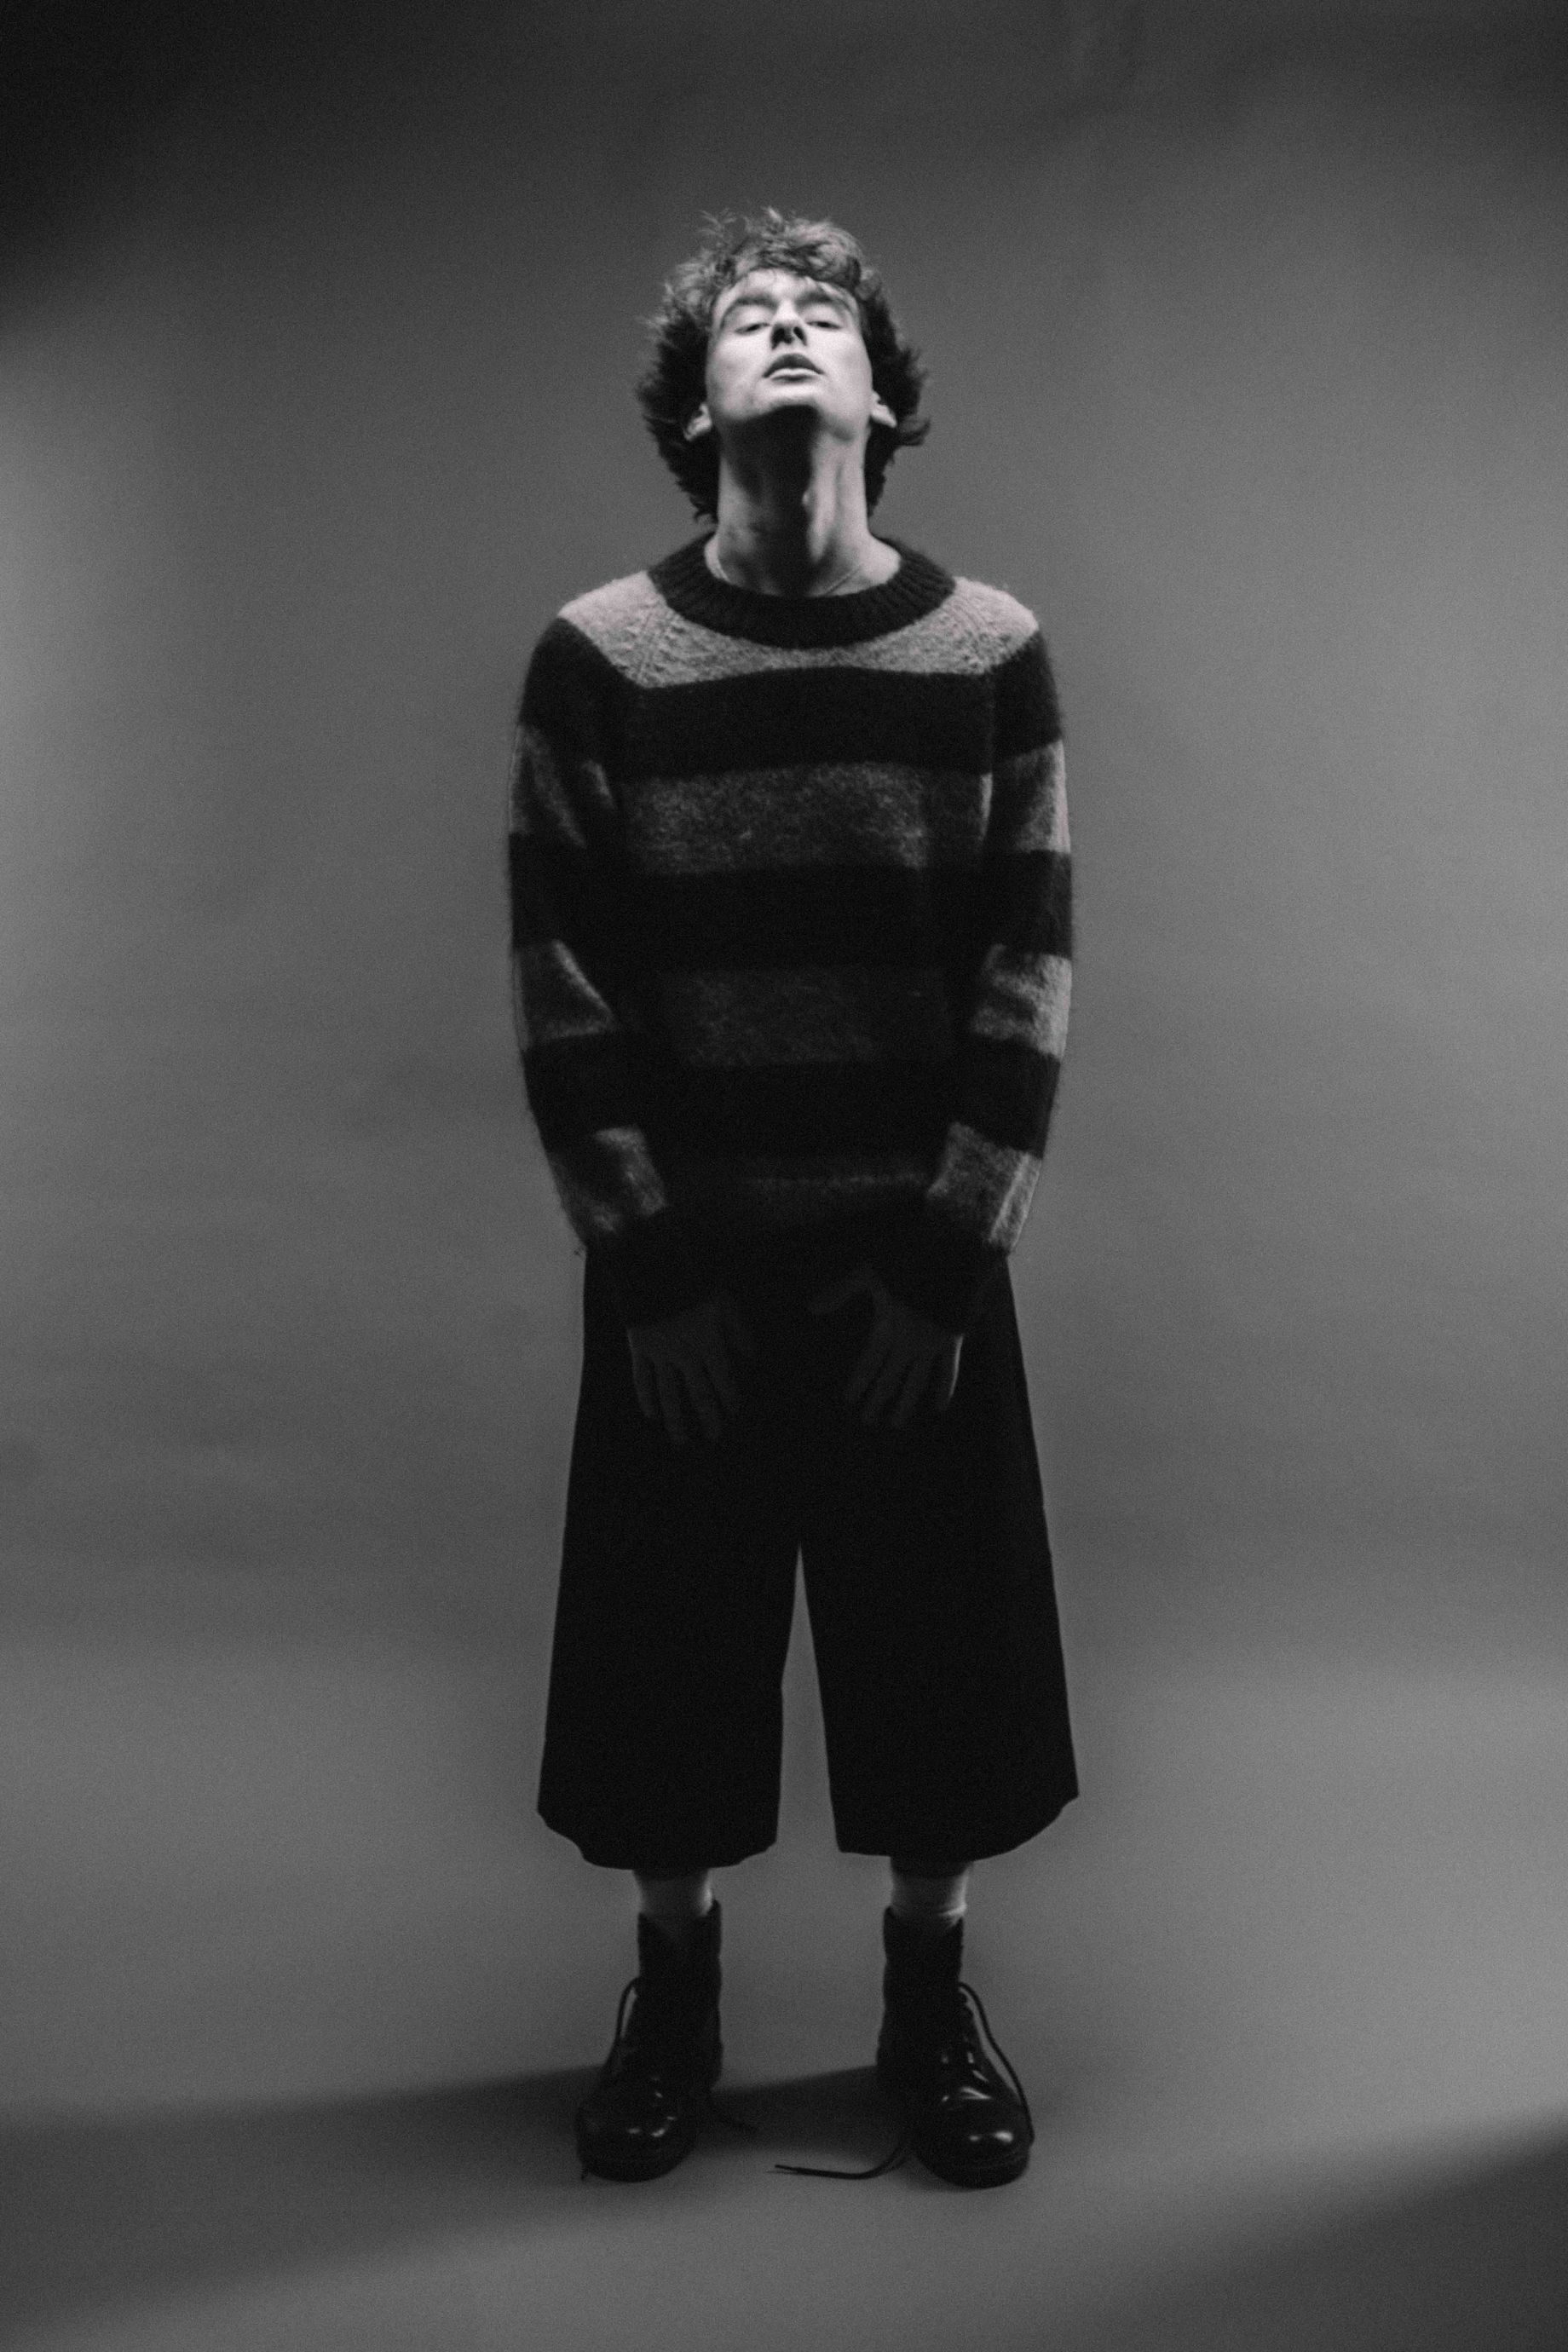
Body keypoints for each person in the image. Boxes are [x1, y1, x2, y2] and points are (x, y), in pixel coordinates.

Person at [507, 209, 1076, 2190]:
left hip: (911, 1262)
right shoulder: (600, 658)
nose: (783, 329)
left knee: (943, 1661)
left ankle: (927, 1995)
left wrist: (948, 1257)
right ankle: (672, 1991)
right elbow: (559, 980)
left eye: (819, 314)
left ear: (878, 402)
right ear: (693, 410)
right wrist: (647, 1266)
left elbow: (1026, 972)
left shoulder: (986, 653)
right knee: (666, 1663)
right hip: (690, 1268)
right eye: (745, 317)